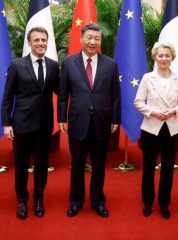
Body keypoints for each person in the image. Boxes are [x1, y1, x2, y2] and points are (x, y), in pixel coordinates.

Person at [58, 23, 121, 218]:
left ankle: (98, 201)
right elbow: (63, 94)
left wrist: (115, 119)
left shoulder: (110, 64)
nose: (93, 41)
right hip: (77, 121)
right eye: (89, 37)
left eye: (97, 38)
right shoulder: (68, 63)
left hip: (102, 122)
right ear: (81, 39)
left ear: (101, 40)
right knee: (77, 165)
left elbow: (116, 95)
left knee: (99, 165)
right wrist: (61, 117)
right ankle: (75, 201)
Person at [1, 27, 59, 219]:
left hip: (44, 125)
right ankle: (22, 201)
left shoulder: (53, 66)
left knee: (42, 165)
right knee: (21, 164)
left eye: (44, 40)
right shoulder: (17, 65)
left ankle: (39, 198)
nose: (41, 43)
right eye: (37, 40)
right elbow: (7, 97)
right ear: (29, 42)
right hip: (21, 125)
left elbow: (61, 91)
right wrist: (6, 123)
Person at [134, 41, 178, 219]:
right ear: (155, 57)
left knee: (168, 168)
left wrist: (174, 110)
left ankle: (164, 203)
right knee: (148, 167)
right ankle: (148, 202)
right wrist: (153, 112)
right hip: (151, 128)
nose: (164, 58)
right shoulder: (148, 77)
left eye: (167, 55)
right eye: (160, 55)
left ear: (172, 58)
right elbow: (138, 102)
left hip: (171, 128)